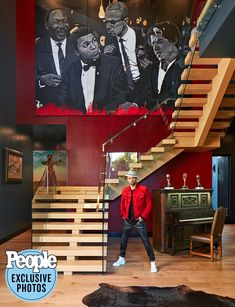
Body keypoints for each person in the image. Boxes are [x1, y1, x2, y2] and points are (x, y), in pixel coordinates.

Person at [58, 27, 127, 113]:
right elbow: (63, 99)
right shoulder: (70, 70)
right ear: (77, 52)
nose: (94, 47)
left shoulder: (113, 64)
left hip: (105, 120)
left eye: (94, 41)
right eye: (86, 45)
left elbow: (121, 96)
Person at [113, 169, 157, 273]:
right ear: (127, 179)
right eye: (129, 178)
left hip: (139, 220)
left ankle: (153, 262)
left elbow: (149, 204)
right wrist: (123, 215)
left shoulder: (144, 189)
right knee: (123, 240)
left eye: (133, 177)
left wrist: (143, 216)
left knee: (146, 241)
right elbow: (122, 204)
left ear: (136, 178)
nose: (131, 179)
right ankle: (121, 258)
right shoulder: (125, 190)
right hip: (127, 219)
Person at [104, 2, 145, 107]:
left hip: (141, 88)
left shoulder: (141, 35)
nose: (108, 26)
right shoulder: (109, 39)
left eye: (112, 22)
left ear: (125, 21)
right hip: (120, 90)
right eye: (106, 21)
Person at [36, 8, 77, 108]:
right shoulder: (37, 49)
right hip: (48, 107)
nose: (62, 26)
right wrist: (41, 79)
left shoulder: (78, 45)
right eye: (56, 22)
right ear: (47, 26)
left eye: (64, 21)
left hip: (77, 107)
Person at [143, 21, 182, 109]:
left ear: (174, 40)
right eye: (153, 44)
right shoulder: (152, 68)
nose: (155, 48)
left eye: (160, 42)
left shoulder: (184, 67)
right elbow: (145, 96)